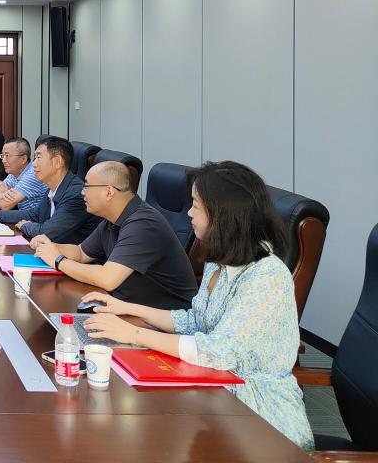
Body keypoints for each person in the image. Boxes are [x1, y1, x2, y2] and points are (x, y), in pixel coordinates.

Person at [81, 161, 313, 451]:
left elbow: (219, 351)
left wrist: (133, 334)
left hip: (260, 421)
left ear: (223, 213)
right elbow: (196, 321)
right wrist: (128, 308)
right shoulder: (220, 261)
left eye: (196, 205)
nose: (189, 213)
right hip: (213, 396)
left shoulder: (267, 275)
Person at [31, 160, 197, 309]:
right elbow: (81, 253)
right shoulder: (112, 219)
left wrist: (58, 260)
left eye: (86, 187)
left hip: (165, 320)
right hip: (125, 305)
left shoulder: (143, 223)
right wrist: (51, 247)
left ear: (109, 192)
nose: (82, 192)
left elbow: (107, 279)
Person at [0, 136, 99, 243]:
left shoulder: (75, 193)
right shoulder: (54, 186)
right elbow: (34, 214)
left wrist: (26, 226)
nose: (33, 164)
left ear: (57, 162)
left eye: (38, 158)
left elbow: (48, 232)